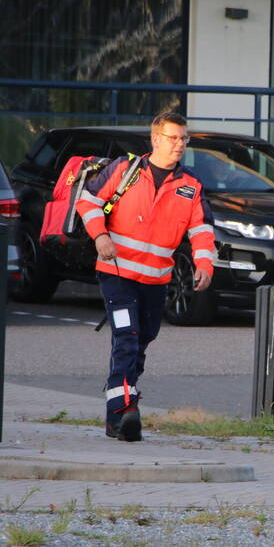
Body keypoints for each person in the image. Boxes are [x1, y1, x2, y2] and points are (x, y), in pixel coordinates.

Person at [75, 111, 215, 442]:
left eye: (184, 138)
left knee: (141, 341)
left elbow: (202, 229)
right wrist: (100, 235)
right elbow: (88, 201)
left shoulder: (191, 185)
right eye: (173, 138)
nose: (179, 144)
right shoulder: (126, 170)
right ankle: (125, 411)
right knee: (126, 336)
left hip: (156, 280)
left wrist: (205, 265)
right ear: (155, 140)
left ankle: (120, 410)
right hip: (117, 272)